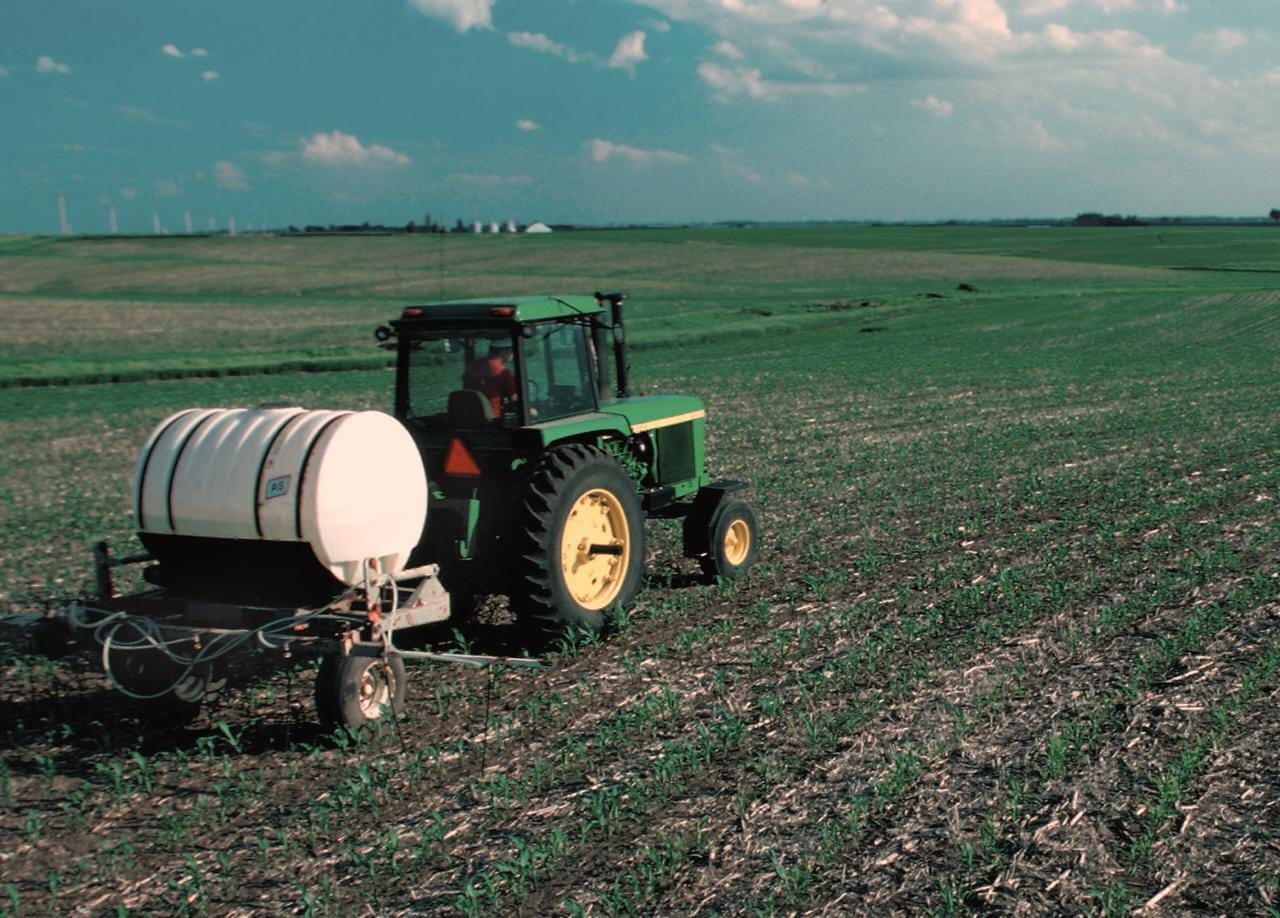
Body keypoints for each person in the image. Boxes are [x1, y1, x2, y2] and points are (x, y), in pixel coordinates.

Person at [463, 343, 517, 417]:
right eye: (512, 350)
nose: (513, 354)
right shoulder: (502, 371)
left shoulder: (474, 365)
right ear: (504, 351)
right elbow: (514, 398)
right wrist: (530, 410)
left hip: (469, 415)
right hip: (492, 418)